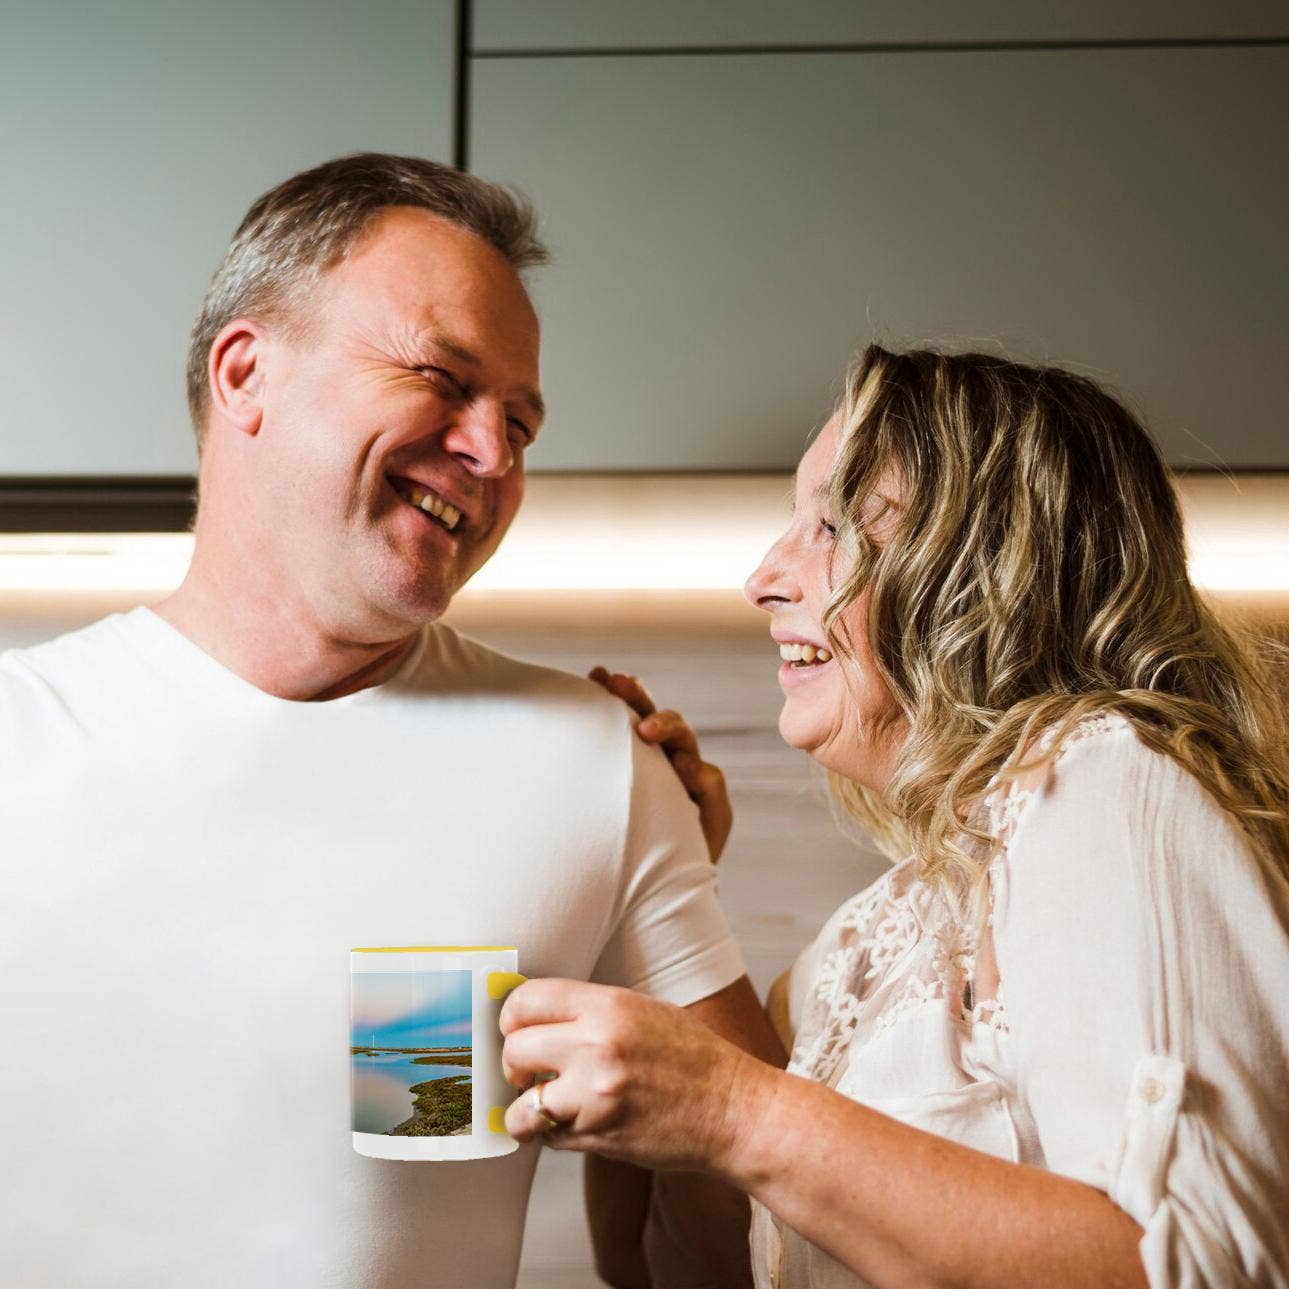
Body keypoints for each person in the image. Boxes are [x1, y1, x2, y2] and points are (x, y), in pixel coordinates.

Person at [0, 153, 782, 1288]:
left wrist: (642, 928)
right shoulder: (19, 736)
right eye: (442, 377)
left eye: (519, 418)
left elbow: (745, 1249)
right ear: (245, 372)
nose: (492, 452)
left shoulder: (586, 763)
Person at [504, 345, 1289, 1287]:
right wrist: (656, 880)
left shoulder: (1103, 778)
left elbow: (1206, 1266)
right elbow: (682, 1268)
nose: (762, 575)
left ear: (984, 567)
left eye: (831, 524)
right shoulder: (862, 944)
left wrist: (734, 1110)